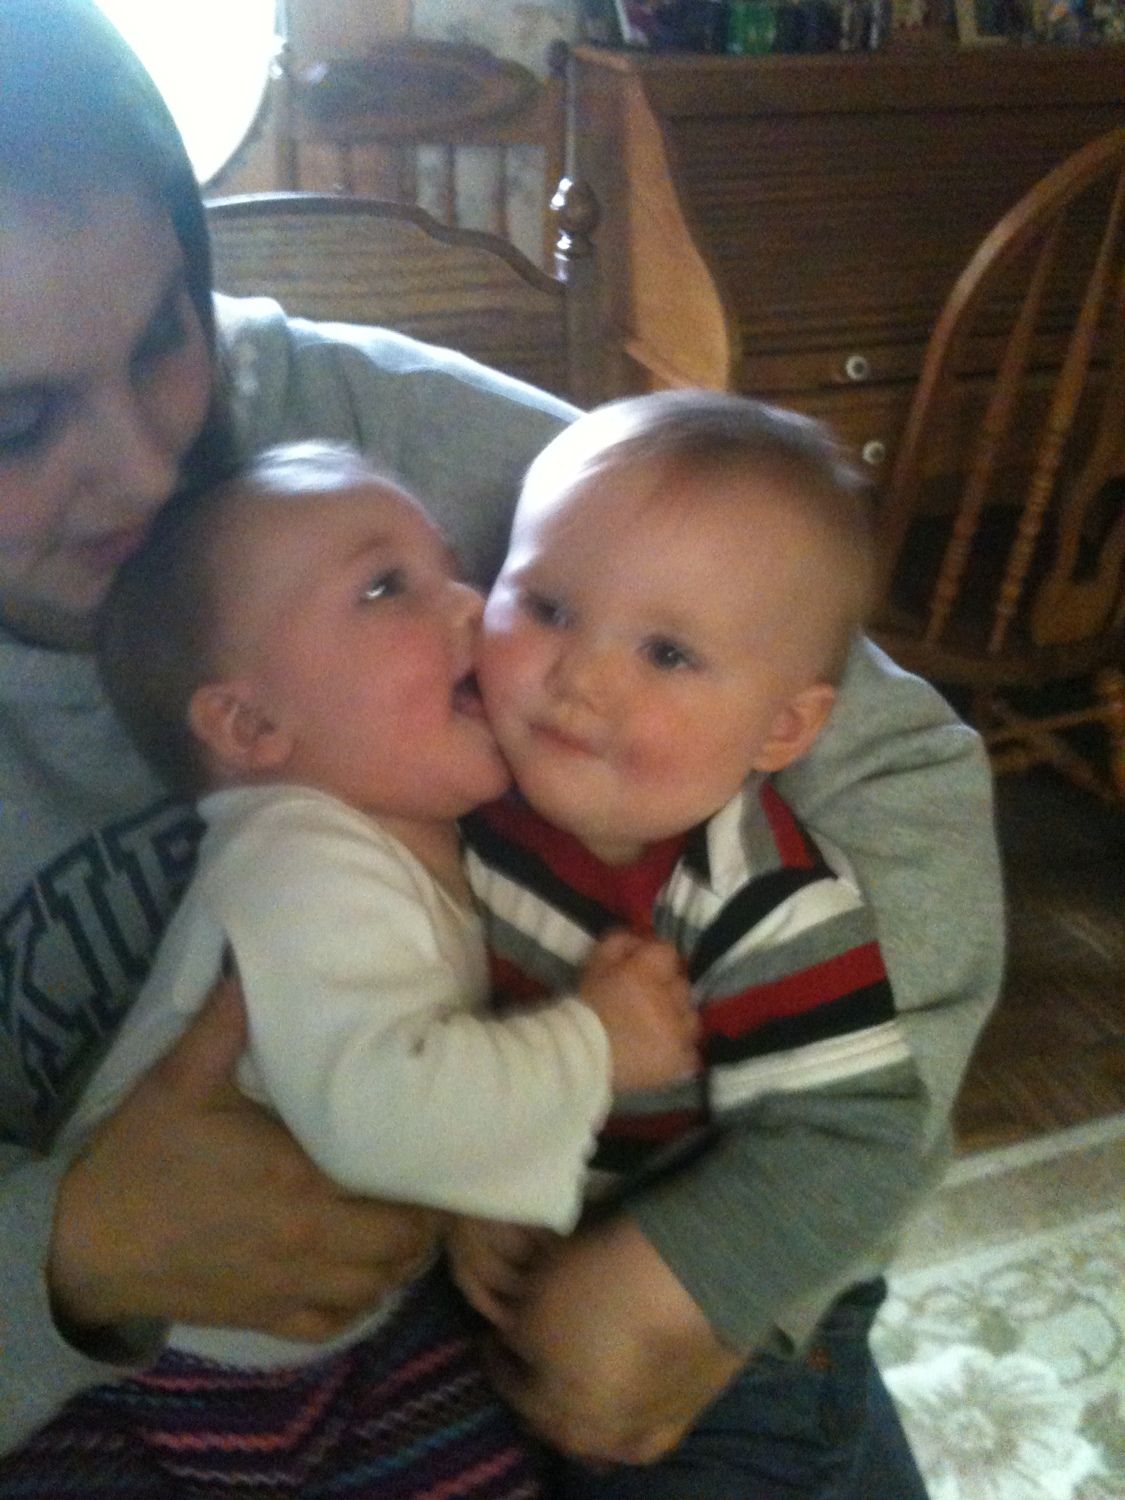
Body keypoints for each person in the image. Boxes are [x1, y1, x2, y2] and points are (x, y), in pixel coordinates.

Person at [0, 0, 1003, 1482]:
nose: (150, 468)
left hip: (597, 1295)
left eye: (165, 335)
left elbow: (904, 772)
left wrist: (707, 1271)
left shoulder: (366, 441)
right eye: (15, 425)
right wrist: (62, 1249)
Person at [24, 438, 694, 1490]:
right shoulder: (303, 861)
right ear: (252, 723)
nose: (472, 605)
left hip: (331, 1341)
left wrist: (470, 1193)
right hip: (175, 1377)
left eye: (452, 571)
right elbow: (375, 1110)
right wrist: (596, 1044)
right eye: (386, 588)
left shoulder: (389, 835)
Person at [457, 391, 993, 1498]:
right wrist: (452, 1177)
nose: (581, 675)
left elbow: (856, 1142)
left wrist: (677, 1280)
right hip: (519, 1267)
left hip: (729, 1327)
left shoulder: (760, 901)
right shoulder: (464, 808)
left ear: (784, 728)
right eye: (548, 606)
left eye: (666, 652)